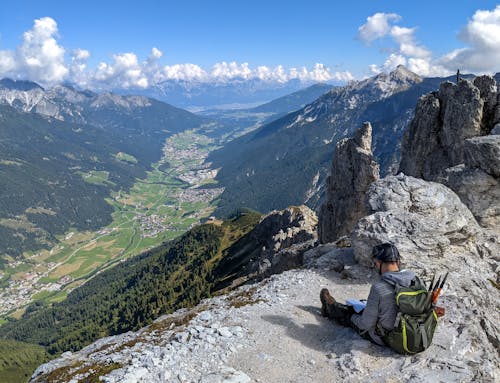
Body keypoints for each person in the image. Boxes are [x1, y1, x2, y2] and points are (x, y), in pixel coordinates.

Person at [320, 243, 416, 346]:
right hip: (416, 337)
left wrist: (352, 317)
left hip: (389, 338)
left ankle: (330, 308)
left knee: (352, 314)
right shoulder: (415, 280)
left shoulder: (379, 288)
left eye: (375, 264)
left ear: (379, 263)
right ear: (397, 261)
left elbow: (365, 324)